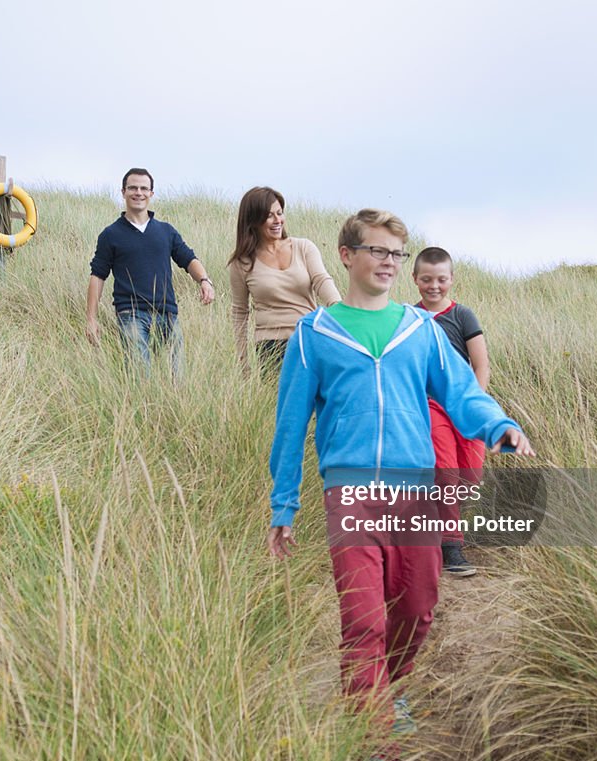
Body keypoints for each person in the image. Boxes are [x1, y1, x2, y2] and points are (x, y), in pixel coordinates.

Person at [266, 209, 533, 753]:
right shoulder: (314, 334)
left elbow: (461, 392)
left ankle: (392, 684)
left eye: (396, 254)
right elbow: (290, 427)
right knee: (363, 619)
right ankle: (373, 731)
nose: (389, 263)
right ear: (347, 255)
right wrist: (283, 505)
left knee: (416, 607)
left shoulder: (421, 330)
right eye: (377, 251)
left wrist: (498, 424)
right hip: (351, 493)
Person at [85, 168, 215, 377]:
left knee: (178, 379)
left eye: (144, 188)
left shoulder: (166, 231)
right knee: (140, 377)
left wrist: (204, 280)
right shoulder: (110, 235)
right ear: (123, 192)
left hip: (168, 315)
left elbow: (188, 258)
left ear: (151, 194)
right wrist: (91, 319)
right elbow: (98, 275)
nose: (138, 192)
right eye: (133, 188)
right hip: (132, 315)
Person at [412, 246, 489, 577]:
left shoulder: (463, 316)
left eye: (441, 279)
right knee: (445, 471)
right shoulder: (410, 318)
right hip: (430, 406)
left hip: (465, 404)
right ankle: (451, 547)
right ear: (415, 279)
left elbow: (481, 365)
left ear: (452, 280)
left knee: (469, 475)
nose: (434, 286)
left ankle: (436, 522)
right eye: (426, 279)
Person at [227, 187, 340, 373]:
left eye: (279, 213)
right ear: (253, 220)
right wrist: (242, 361)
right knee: (281, 402)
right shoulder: (242, 263)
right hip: (270, 348)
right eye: (269, 215)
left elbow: (322, 280)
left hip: (308, 337)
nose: (277, 220)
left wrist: (339, 308)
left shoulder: (303, 247)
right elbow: (240, 312)